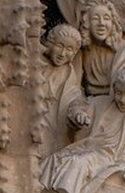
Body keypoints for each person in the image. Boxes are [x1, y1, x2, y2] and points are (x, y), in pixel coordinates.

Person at [40, 67, 125, 193]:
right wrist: (78, 115)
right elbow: (79, 105)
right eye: (119, 93)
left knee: (78, 163)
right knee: (54, 159)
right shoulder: (102, 103)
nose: (123, 100)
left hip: (107, 157)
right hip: (84, 149)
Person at [74, 0, 125, 98]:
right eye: (95, 18)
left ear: (113, 23)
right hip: (90, 102)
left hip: (118, 102)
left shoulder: (123, 49)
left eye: (106, 18)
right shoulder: (82, 51)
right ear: (87, 23)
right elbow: (74, 86)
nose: (101, 23)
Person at [41, 24, 84, 154]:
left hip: (55, 123)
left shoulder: (69, 73)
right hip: (35, 118)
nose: (62, 53)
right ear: (50, 44)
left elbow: (73, 98)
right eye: (59, 46)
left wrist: (77, 113)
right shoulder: (38, 64)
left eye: (69, 49)